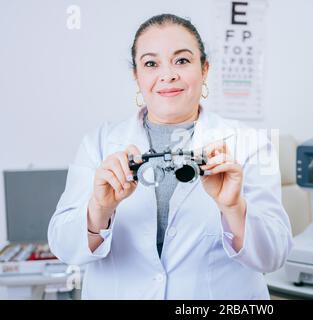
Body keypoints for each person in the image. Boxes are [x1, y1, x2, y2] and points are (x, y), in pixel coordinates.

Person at [48, 13, 293, 299]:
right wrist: (99, 210)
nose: (167, 74)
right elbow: (65, 248)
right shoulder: (99, 144)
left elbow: (273, 257)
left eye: (182, 60)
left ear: (205, 69)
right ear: (137, 76)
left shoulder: (249, 144)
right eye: (151, 63)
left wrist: (234, 208)